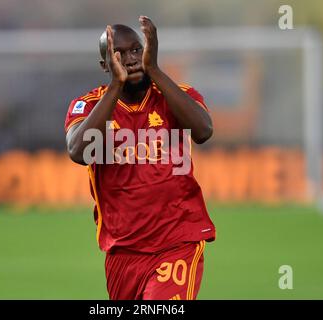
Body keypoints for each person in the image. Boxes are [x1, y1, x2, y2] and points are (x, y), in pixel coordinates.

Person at [65, 16, 215, 300]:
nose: (131, 59)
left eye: (137, 50)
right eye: (119, 54)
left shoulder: (175, 94)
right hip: (123, 252)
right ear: (105, 65)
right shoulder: (90, 106)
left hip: (177, 242)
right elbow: (78, 152)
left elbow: (204, 130)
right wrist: (115, 88)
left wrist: (155, 70)